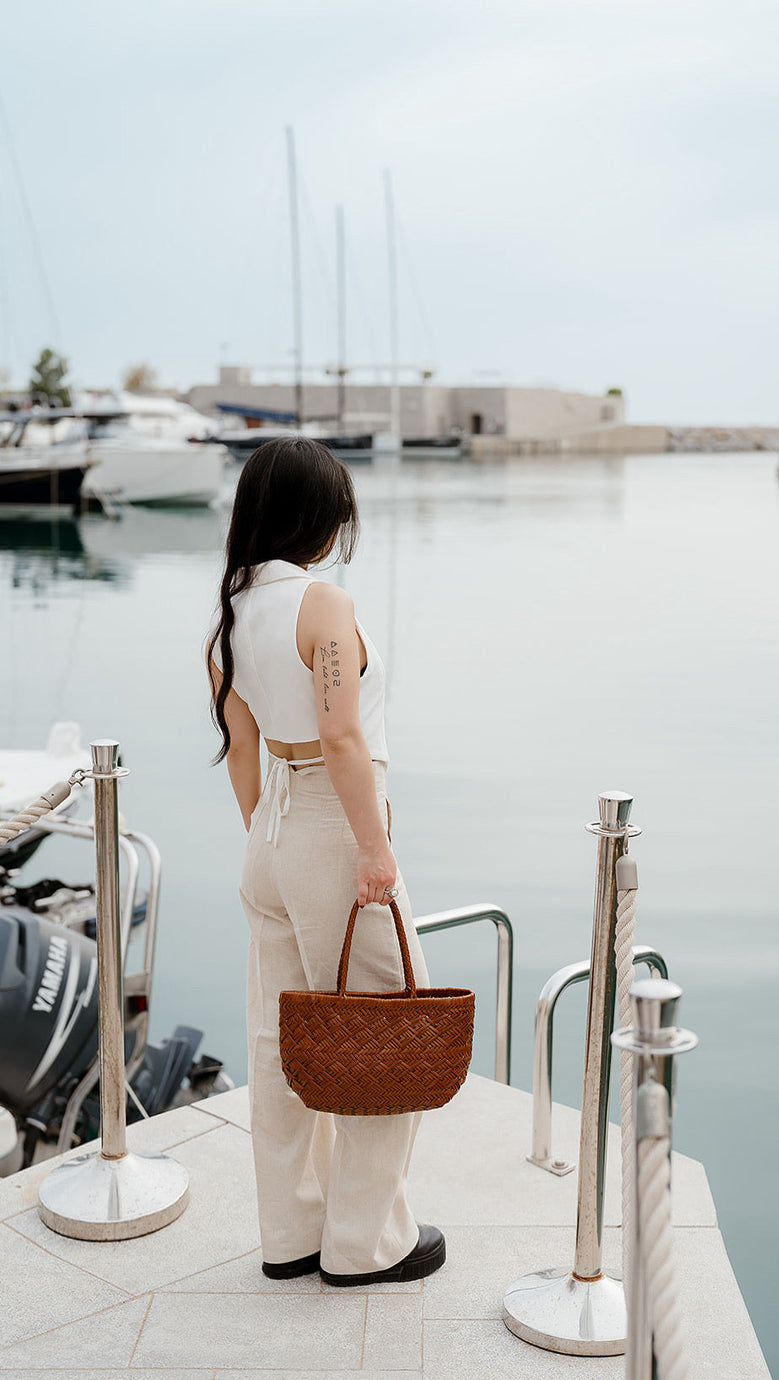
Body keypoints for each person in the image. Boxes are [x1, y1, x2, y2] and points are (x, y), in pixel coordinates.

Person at [206, 436, 445, 1287]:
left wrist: (265, 833)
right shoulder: (323, 605)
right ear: (318, 515)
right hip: (333, 830)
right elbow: (342, 734)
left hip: (269, 827)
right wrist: (372, 849)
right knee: (381, 1035)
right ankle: (364, 1245)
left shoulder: (232, 610)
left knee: (280, 1043)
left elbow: (241, 745)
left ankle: (292, 1236)